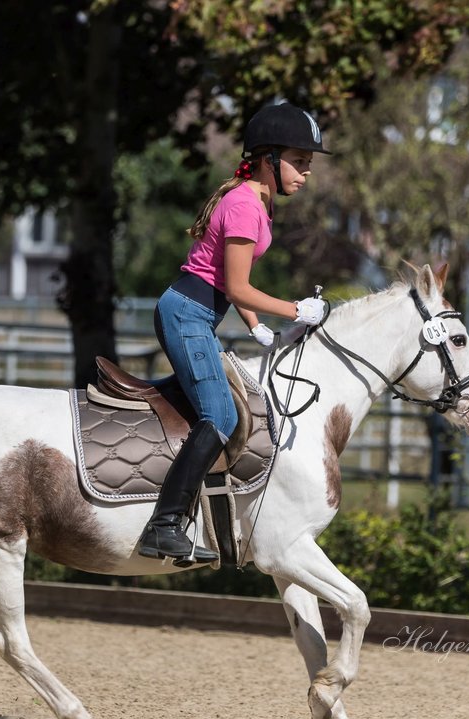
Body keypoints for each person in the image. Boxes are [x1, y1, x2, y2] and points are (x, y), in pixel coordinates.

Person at [137, 102, 330, 562]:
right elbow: (240, 284)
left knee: (224, 405)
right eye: (299, 162)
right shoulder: (245, 206)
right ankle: (163, 526)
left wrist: (257, 326)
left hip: (200, 311)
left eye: (308, 164)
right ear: (269, 160)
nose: (305, 173)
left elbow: (227, 281)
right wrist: (296, 310)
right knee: (222, 417)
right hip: (187, 314)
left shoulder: (257, 201)